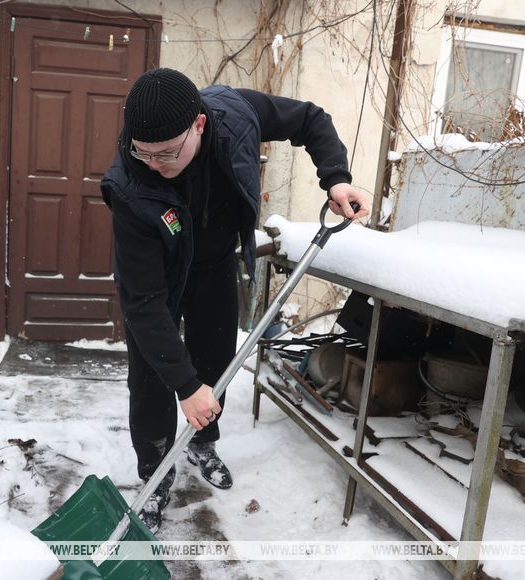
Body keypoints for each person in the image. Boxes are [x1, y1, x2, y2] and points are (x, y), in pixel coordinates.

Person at [100, 68, 370, 533]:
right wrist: (183, 386)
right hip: (159, 278)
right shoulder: (130, 184)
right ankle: (154, 475)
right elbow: (142, 303)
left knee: (215, 360)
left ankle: (203, 444)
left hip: (213, 263)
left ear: (199, 126)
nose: (153, 164)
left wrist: (336, 178)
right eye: (143, 153)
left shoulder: (236, 114)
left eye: (166, 153)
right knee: (152, 376)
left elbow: (309, 119)